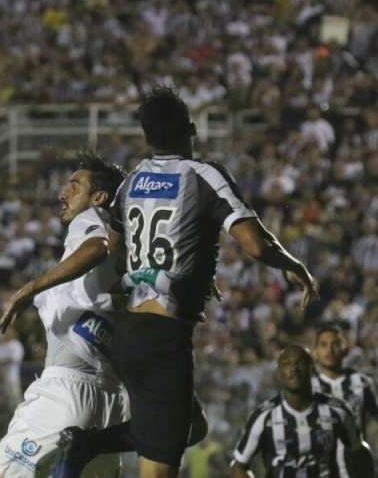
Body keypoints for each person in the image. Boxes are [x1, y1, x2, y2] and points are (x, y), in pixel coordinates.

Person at [57, 86, 318, 478]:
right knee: (161, 466)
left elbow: (115, 247)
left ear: (147, 137)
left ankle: (92, 443)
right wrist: (293, 263)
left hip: (129, 331)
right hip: (164, 337)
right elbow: (254, 244)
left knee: (192, 427)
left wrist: (181, 274)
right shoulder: (203, 174)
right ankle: (86, 444)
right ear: (191, 128)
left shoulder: (132, 181)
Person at [0, 151, 130, 477]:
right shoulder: (131, 246)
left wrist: (30, 287)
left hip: (65, 391)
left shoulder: (91, 220)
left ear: (99, 198)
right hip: (112, 401)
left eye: (75, 186)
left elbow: (96, 248)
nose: (63, 193)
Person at [231, 345, 375, 478]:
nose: (293, 368)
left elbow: (360, 452)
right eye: (287, 364)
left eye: (300, 363)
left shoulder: (337, 410)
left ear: (312, 369)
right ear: (279, 373)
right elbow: (239, 465)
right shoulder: (263, 416)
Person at [312, 325, 378, 478]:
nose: (330, 350)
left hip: (357, 468)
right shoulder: (306, 388)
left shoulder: (364, 383)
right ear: (315, 352)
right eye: (323, 345)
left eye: (335, 344)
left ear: (345, 349)